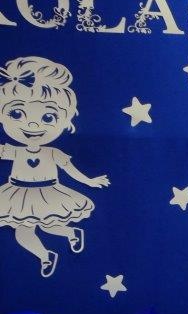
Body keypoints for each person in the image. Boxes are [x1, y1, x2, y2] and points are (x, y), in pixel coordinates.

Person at [0, 56, 110, 277]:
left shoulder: (52, 153)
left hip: (49, 193)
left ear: (65, 120)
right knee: (23, 232)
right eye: (17, 113)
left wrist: (89, 181)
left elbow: (70, 169)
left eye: (48, 117)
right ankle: (45, 256)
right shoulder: (15, 151)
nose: (33, 124)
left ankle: (72, 233)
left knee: (49, 225)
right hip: (17, 194)